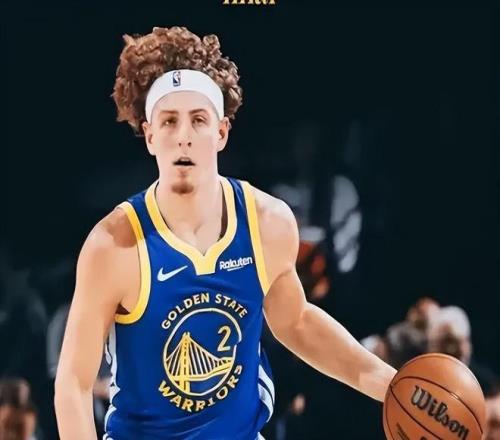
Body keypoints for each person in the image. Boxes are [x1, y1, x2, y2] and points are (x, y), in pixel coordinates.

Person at [54, 26, 396, 440]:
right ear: (150, 136)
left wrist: (391, 386)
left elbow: (296, 322)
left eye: (198, 120)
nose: (183, 136)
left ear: (221, 132)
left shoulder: (267, 222)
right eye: (169, 121)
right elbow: (73, 384)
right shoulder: (113, 244)